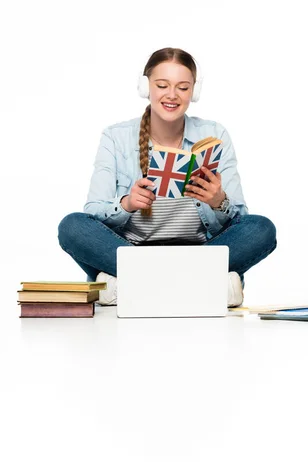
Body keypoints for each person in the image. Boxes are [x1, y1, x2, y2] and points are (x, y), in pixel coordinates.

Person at [58, 47, 277, 307]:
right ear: (145, 86)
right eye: (162, 85)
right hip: (131, 252)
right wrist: (126, 203)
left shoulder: (214, 134)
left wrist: (219, 201)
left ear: (194, 92)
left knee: (262, 229)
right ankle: (208, 286)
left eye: (183, 88)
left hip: (199, 252)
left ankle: (127, 287)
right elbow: (93, 211)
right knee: (71, 226)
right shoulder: (115, 137)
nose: (172, 95)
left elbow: (241, 217)